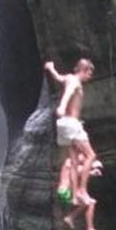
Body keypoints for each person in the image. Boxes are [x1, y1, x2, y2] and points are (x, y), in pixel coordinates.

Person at [44, 58, 98, 207]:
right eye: (89, 74)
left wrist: (51, 68)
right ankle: (82, 190)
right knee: (91, 155)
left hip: (63, 125)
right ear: (84, 70)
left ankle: (75, 196)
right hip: (71, 123)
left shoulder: (68, 77)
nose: (90, 77)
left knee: (73, 161)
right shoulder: (75, 82)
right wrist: (61, 106)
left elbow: (59, 78)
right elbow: (68, 93)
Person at [56, 154, 104, 230]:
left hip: (67, 192)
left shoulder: (76, 164)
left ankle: (70, 217)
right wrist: (92, 169)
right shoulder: (70, 162)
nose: (84, 160)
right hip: (65, 192)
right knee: (90, 203)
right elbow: (78, 171)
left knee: (87, 203)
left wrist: (93, 168)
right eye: (83, 157)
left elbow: (81, 172)